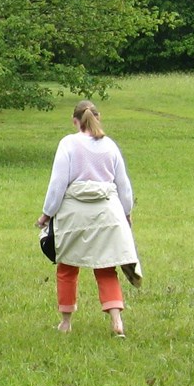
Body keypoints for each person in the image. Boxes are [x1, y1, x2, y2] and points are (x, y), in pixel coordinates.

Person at [36, 100, 140, 338]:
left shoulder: (68, 144)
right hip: (106, 213)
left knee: (67, 266)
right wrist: (126, 213)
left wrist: (46, 214)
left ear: (75, 121)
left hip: (74, 214)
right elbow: (123, 186)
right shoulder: (110, 145)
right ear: (98, 117)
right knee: (105, 266)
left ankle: (65, 322)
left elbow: (58, 184)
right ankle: (117, 322)